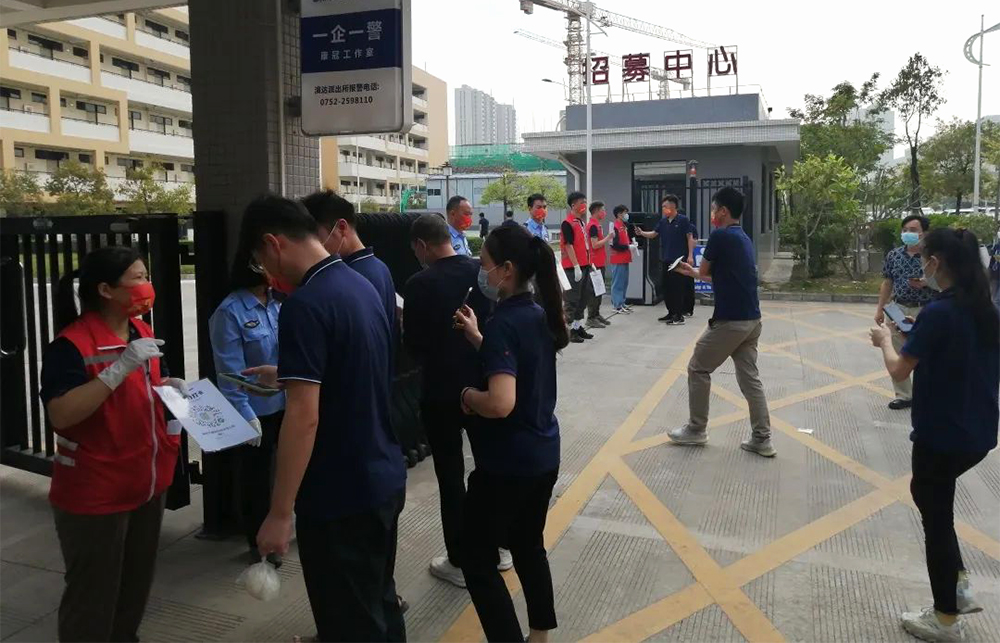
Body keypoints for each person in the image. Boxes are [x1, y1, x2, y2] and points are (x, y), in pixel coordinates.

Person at [240, 195, 406, 642]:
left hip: (340, 493)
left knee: (349, 624)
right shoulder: (359, 284)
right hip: (382, 476)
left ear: (273, 244)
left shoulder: (306, 304)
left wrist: (280, 513)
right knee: (380, 605)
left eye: (259, 261)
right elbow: (355, 366)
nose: (265, 273)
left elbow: (304, 418)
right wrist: (290, 374)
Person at [41, 246, 187, 642]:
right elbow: (62, 414)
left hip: (146, 483)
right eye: (138, 278)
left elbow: (151, 385)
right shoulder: (72, 345)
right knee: (93, 595)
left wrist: (170, 387)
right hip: (96, 492)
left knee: (134, 588)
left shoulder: (141, 331)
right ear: (105, 289)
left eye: (146, 276)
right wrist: (117, 370)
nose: (147, 285)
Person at [868, 227, 998, 643]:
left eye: (925, 257)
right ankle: (957, 591)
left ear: (936, 263)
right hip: (978, 431)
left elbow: (898, 369)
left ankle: (945, 619)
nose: (922, 263)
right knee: (936, 506)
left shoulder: (939, 312)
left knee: (936, 519)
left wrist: (885, 340)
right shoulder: (985, 309)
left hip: (941, 434)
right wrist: (914, 334)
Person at [453, 224, 567, 643]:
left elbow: (501, 402)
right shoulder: (535, 314)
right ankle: (540, 636)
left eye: (484, 264)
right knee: (527, 546)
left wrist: (468, 395)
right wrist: (478, 337)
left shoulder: (504, 322)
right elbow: (517, 364)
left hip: (507, 466)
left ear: (505, 270)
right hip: (543, 455)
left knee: (475, 558)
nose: (480, 272)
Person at [402, 214, 512, 588]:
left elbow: (413, 346)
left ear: (422, 245)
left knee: (451, 478)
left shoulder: (418, 284)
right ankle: (499, 547)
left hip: (440, 394)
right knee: (490, 467)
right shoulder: (481, 272)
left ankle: (460, 560)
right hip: (483, 387)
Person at [673, 187, 775, 457]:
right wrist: (693, 273)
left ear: (723, 211)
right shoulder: (743, 237)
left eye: (714, 209)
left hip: (731, 321)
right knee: (750, 379)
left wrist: (698, 271)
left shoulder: (720, 235)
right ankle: (762, 438)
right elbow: (717, 276)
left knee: (698, 368)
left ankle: (696, 429)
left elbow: (707, 269)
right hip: (752, 320)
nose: (712, 214)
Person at [208, 247, 285, 567]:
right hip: (255, 411)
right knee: (256, 480)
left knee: (284, 472)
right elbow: (229, 372)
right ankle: (259, 542)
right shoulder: (231, 312)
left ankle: (282, 529)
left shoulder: (279, 302)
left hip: (286, 402)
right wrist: (246, 415)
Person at [301, 189, 396, 328]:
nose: (311, 246)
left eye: (315, 237)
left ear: (341, 227)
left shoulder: (353, 275)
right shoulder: (379, 266)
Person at [875, 214, 934, 411]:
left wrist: (926, 283)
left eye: (913, 230)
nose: (908, 233)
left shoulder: (931, 257)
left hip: (925, 308)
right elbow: (887, 282)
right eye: (905, 230)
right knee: (897, 351)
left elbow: (943, 282)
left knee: (924, 352)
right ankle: (903, 395)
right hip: (898, 308)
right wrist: (880, 309)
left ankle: (925, 393)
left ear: (924, 233)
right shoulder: (894, 255)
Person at [635, 195, 695, 325]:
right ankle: (671, 312)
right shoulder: (663, 222)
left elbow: (690, 237)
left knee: (677, 288)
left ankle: (678, 315)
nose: (663, 209)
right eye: (663, 206)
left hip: (679, 260)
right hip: (666, 259)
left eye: (665, 206)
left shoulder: (683, 220)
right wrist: (642, 233)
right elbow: (654, 234)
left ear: (673, 206)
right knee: (666, 287)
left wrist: (690, 255)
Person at [560, 191, 595, 343]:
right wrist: (575, 266)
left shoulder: (581, 222)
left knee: (583, 298)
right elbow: (568, 245)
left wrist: (589, 262)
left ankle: (578, 326)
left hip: (585, 266)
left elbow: (584, 245)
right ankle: (568, 331)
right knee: (572, 300)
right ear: (573, 205)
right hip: (573, 268)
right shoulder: (567, 223)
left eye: (585, 202)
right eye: (582, 203)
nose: (584, 205)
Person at [585, 201, 615, 329]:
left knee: (599, 290)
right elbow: (595, 245)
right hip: (594, 263)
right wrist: (608, 237)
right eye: (602, 210)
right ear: (596, 211)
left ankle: (596, 314)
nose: (604, 213)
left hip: (599, 262)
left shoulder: (597, 225)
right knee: (594, 290)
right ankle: (591, 317)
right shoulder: (592, 226)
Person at [608, 204, 636, 314]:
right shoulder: (614, 226)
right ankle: (617, 305)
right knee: (618, 283)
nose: (626, 215)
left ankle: (622, 302)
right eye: (625, 213)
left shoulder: (624, 226)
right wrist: (627, 247)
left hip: (625, 258)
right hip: (617, 258)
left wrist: (631, 244)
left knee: (624, 282)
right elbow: (614, 244)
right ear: (619, 214)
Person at [682, 216, 698, 317]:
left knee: (688, 284)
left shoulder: (690, 227)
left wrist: (690, 254)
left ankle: (688, 309)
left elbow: (695, 242)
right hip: (677, 257)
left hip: (687, 257)